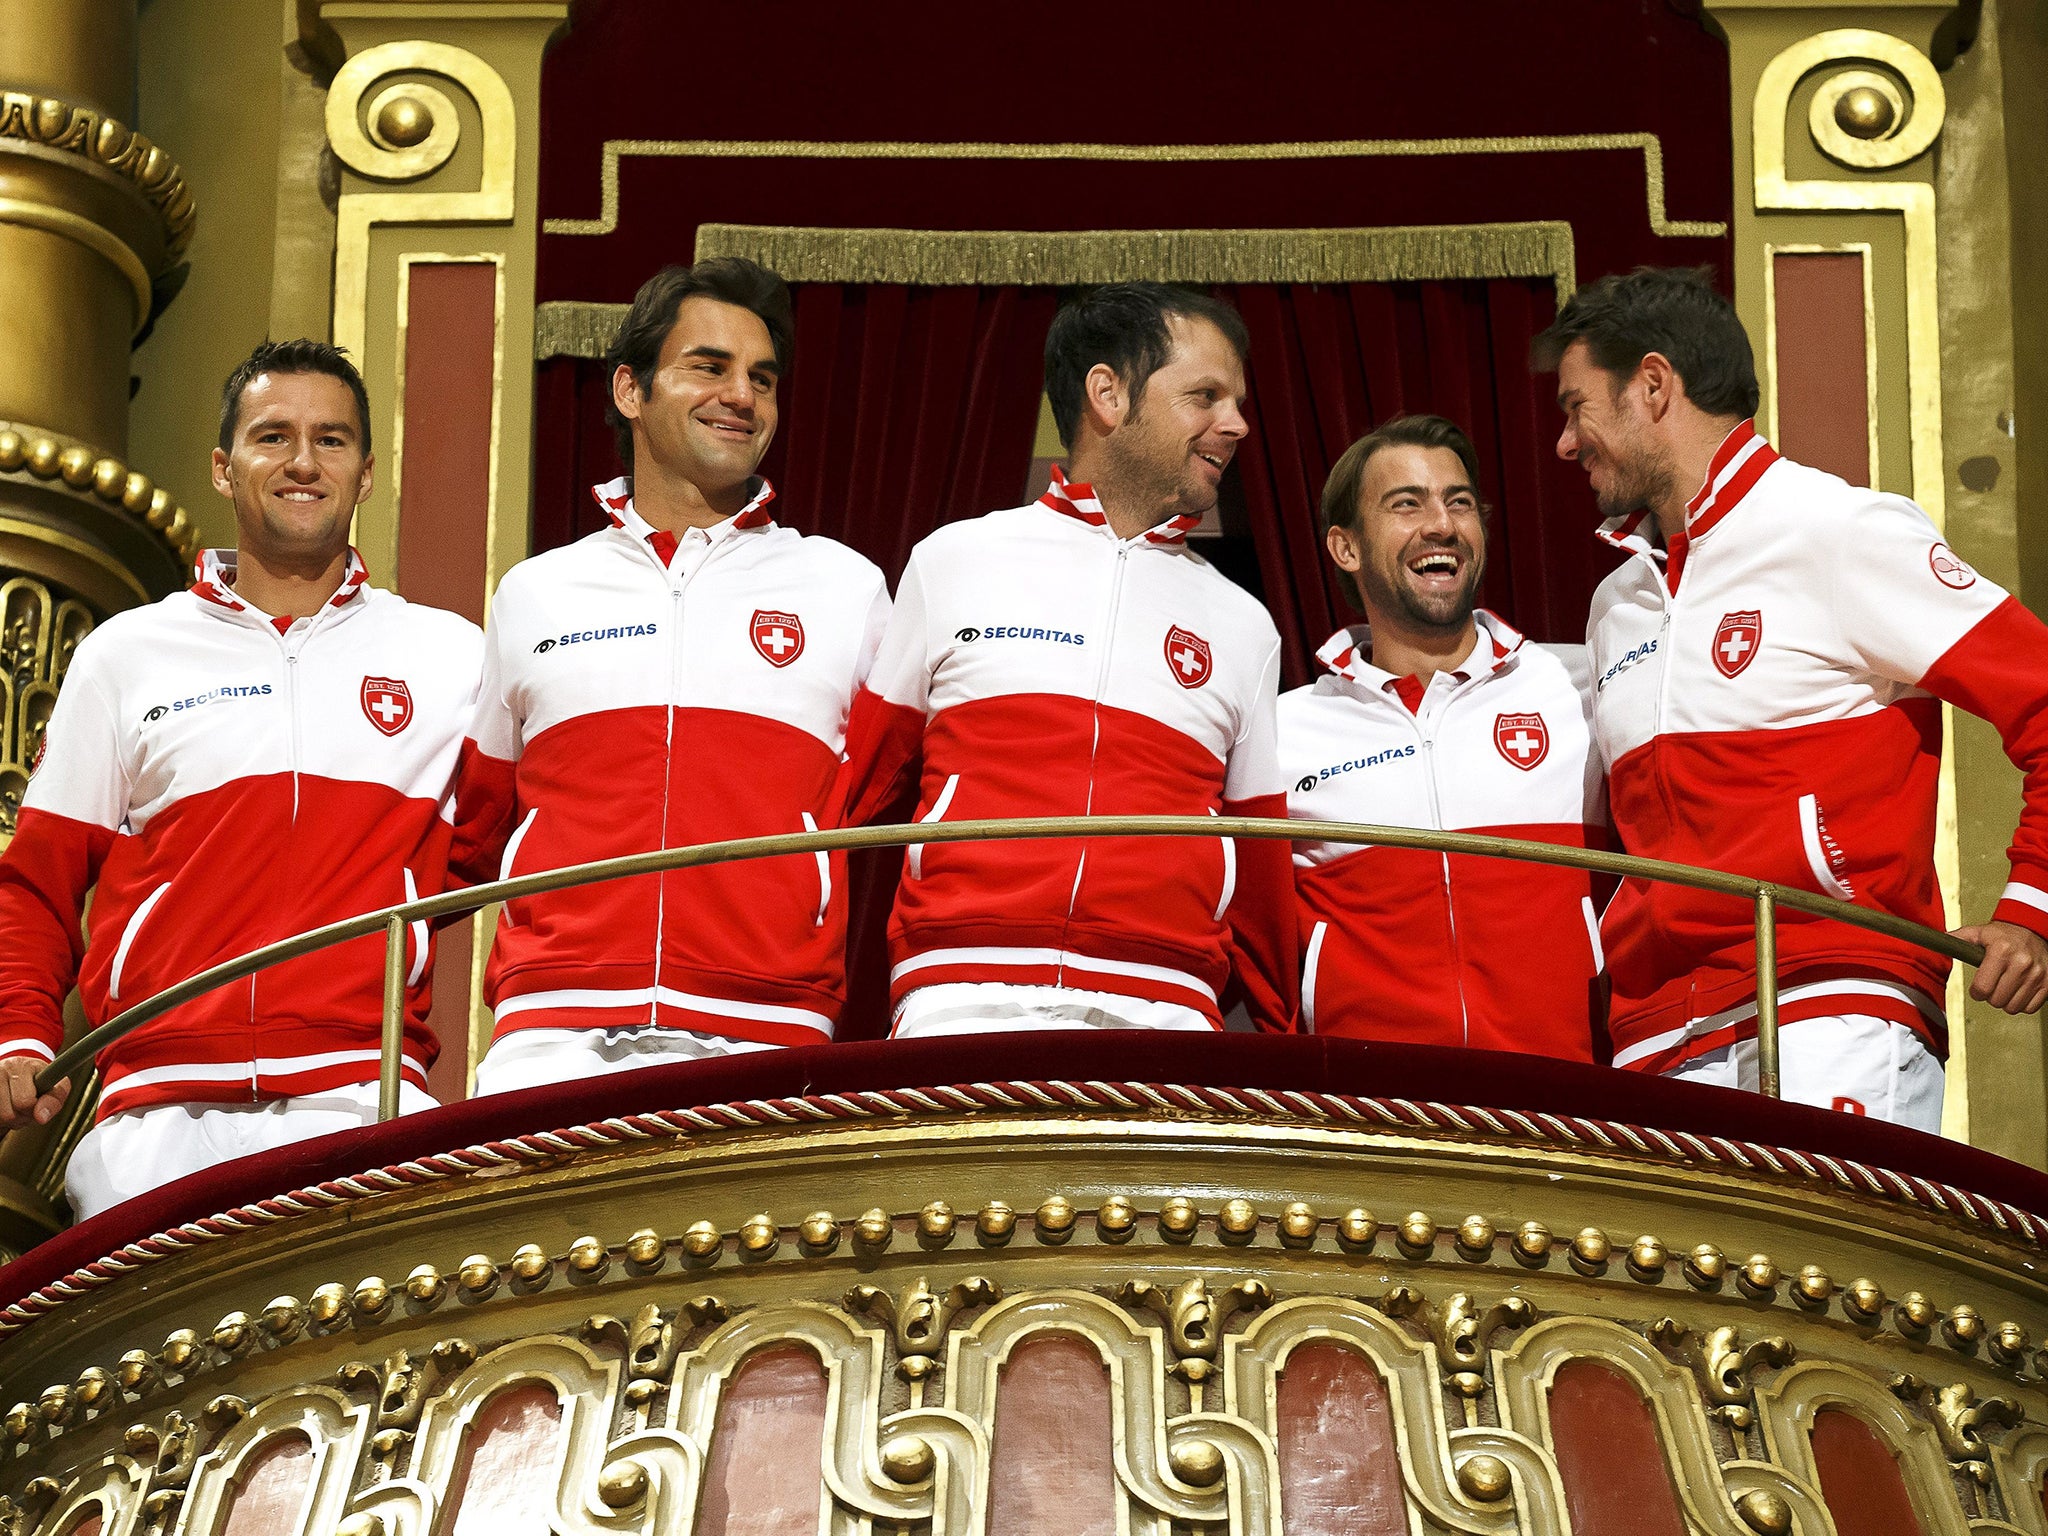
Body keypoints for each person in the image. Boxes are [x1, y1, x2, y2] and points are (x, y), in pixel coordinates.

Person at [1535, 265, 2048, 1128]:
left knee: (1831, 1270)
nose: (1565, 442)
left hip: (1828, 1001)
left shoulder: (1839, 532)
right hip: (1656, 1042)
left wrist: (2030, 907)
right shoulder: (1614, 606)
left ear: (1653, 386)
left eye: (1576, 406)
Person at [0, 340, 481, 1217]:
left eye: (332, 441)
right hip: (156, 1109)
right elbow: (35, 881)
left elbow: (505, 842)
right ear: (223, 468)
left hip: (363, 1097)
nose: (304, 462)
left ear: (366, 473)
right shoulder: (125, 655)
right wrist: (21, 1034)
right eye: (274, 437)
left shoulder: (447, 654)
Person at [454, 259, 888, 1093]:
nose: (742, 396)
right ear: (629, 390)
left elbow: (892, 789)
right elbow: (476, 825)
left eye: (762, 378)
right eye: (709, 366)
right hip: (550, 1027)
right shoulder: (535, 592)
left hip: (770, 1025)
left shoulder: (846, 586)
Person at [842, 282, 1296, 1037]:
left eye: (1238, 401)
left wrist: (1285, 1036)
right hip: (961, 986)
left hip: (1167, 1001)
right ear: (1108, 394)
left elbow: (1259, 870)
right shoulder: (954, 559)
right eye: (1207, 395)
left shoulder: (1245, 624)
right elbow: (859, 793)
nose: (1238, 424)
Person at [1280, 414, 1607, 1056]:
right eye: (1407, 504)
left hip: (1574, 1103)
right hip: (1380, 1123)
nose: (1442, 525)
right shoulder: (1286, 729)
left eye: (1459, 502)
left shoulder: (1580, 682)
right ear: (1345, 548)